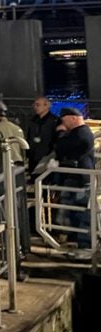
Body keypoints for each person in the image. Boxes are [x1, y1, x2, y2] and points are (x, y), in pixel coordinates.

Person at [0, 101, 31, 274]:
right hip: (18, 171)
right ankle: (23, 244)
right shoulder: (17, 128)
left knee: (3, 208)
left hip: (2, 172)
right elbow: (24, 151)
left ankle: (6, 242)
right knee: (19, 207)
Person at [53, 107, 96, 249]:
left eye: (65, 121)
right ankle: (76, 239)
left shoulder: (81, 134)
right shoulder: (78, 133)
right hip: (75, 177)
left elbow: (62, 147)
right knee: (71, 210)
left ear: (73, 118)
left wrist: (60, 132)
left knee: (81, 212)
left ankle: (85, 244)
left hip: (80, 178)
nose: (63, 124)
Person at [26, 96, 59, 170]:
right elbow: (29, 137)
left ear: (46, 105)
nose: (35, 107)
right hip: (33, 156)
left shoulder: (54, 121)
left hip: (47, 156)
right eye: (34, 105)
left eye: (38, 105)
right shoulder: (33, 120)